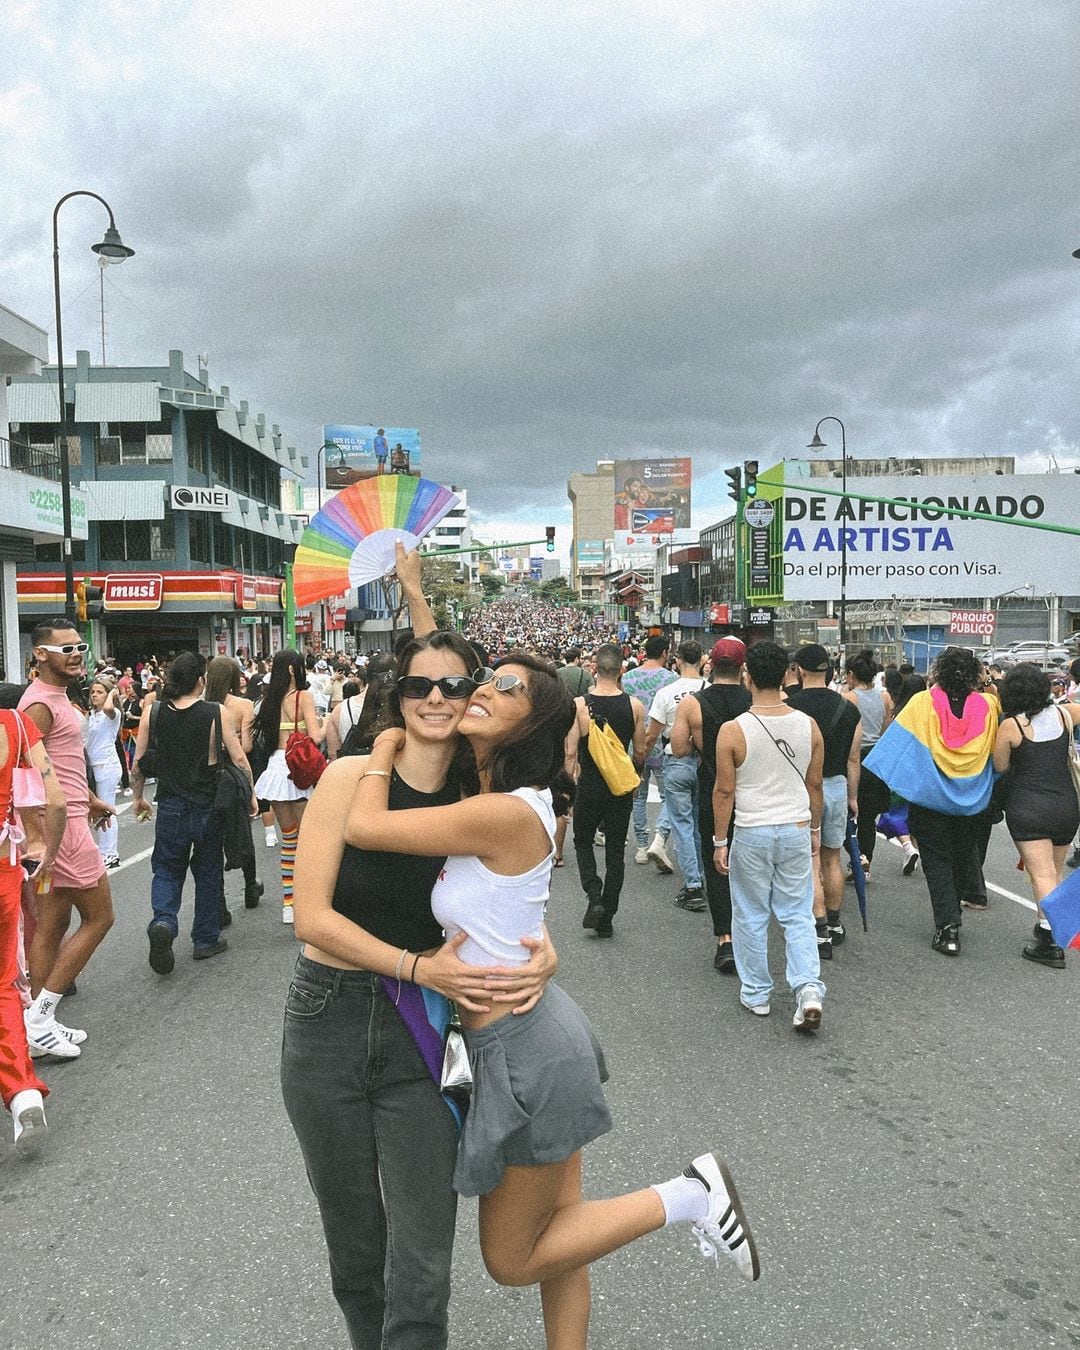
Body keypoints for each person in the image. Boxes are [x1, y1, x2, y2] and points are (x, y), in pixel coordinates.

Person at [344, 652, 760, 1348]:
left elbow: (365, 827)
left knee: (513, 1259)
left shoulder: (504, 811)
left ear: (530, 723)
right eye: (485, 679)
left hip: (523, 1052)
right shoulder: (496, 798)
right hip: (531, 1032)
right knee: (562, 1238)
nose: (478, 690)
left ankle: (689, 1195)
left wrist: (384, 743)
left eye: (502, 688)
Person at [284, 632, 559, 1348]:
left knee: (423, 1250)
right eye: (416, 686)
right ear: (394, 695)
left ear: (473, 695)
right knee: (355, 1246)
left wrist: (545, 950)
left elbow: (515, 891)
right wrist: (415, 965)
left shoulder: (480, 795)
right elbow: (310, 918)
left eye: (452, 685)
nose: (434, 697)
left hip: (428, 1030)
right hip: (327, 1017)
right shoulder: (350, 778)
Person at [713, 641, 826, 1030]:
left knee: (750, 912)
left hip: (752, 830)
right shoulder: (808, 725)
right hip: (795, 827)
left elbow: (724, 791)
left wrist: (719, 841)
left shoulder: (732, 730)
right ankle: (808, 988)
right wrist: (814, 829)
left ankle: (757, 993)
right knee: (798, 914)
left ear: (747, 676)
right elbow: (815, 786)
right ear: (786, 676)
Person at [18, 621, 117, 1059]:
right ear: (40, 655)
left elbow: (62, 761)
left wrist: (91, 797)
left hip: (72, 815)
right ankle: (41, 1015)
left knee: (52, 922)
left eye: (79, 646)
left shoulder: (56, 698)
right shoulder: (38, 704)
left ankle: (39, 1025)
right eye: (65, 648)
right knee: (101, 917)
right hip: (63, 827)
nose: (77, 654)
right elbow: (24, 774)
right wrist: (43, 834)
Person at [864, 647, 998, 958]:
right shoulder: (988, 706)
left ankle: (947, 927)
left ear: (939, 672)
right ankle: (955, 912)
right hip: (972, 800)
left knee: (936, 860)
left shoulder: (923, 703)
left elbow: (894, 747)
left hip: (930, 800)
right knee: (964, 853)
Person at [132, 652, 257, 972]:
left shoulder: (153, 712)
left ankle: (164, 922)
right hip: (209, 806)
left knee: (167, 870)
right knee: (208, 871)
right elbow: (239, 758)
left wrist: (137, 799)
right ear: (201, 680)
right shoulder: (217, 713)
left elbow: (139, 763)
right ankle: (205, 938)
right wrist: (251, 794)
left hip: (170, 805)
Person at [1, 704, 66, 1149]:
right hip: (3, 870)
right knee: (4, 983)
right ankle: (22, 1087)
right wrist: (50, 849)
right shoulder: (15, 723)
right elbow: (55, 798)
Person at [670, 637, 751, 971]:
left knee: (716, 864)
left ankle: (725, 940)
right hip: (751, 790)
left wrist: (698, 738)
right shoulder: (755, 700)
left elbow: (679, 750)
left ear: (710, 666)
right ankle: (752, 935)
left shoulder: (692, 703)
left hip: (712, 785)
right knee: (750, 866)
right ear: (743, 668)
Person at [993, 663, 1080, 969]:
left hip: (1028, 808)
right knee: (1054, 872)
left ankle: (1049, 940)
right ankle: (1051, 926)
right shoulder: (1064, 715)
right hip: (1067, 807)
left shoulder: (1011, 727)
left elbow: (1000, 766)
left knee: (1040, 875)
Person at [786, 645, 862, 959]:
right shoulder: (848, 709)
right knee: (832, 857)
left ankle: (816, 923)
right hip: (836, 786)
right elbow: (853, 759)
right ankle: (835, 921)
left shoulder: (788, 707)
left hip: (800, 788)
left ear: (800, 671)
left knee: (809, 861)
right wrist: (853, 797)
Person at [566, 643, 646, 939]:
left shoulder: (579, 705)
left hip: (589, 786)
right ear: (622, 670)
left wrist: (567, 790)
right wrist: (635, 778)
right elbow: (640, 751)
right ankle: (607, 915)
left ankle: (594, 893)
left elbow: (570, 754)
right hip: (619, 787)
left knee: (583, 841)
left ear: (594, 670)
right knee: (615, 852)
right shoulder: (634, 706)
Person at [251, 650, 324, 924]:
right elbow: (315, 736)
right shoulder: (303, 697)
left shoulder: (269, 700)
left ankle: (289, 904)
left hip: (276, 768)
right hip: (299, 770)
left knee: (289, 841)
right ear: (293, 670)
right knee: (309, 840)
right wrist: (325, 724)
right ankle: (311, 900)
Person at [643, 640, 709, 910]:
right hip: (705, 761)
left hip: (676, 759)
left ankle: (693, 884)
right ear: (702, 662)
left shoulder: (667, 693)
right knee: (699, 823)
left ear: (678, 660)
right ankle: (704, 876)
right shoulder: (709, 690)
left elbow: (652, 733)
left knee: (682, 824)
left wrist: (641, 756)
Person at [204, 656, 264, 914]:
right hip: (233, 774)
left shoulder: (202, 706)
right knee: (242, 832)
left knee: (212, 841)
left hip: (207, 777)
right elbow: (246, 748)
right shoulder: (242, 705)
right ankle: (250, 884)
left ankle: (219, 904)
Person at [621, 637, 676, 870]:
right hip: (663, 746)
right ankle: (659, 838)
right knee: (669, 797)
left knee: (638, 797)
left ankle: (642, 847)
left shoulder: (627, 678)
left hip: (635, 745)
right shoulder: (672, 679)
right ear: (664, 653)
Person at [843, 650, 893, 880]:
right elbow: (885, 729)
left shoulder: (850, 698)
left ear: (851, 674)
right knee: (868, 818)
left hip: (855, 757)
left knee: (847, 812)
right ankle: (866, 860)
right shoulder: (885, 698)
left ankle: (857, 857)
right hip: (877, 758)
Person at [85, 675, 123, 869]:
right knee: (98, 810)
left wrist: (114, 692)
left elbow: (108, 707)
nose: (94, 695)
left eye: (99, 692)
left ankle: (110, 853)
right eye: (92, 692)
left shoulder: (113, 713)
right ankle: (103, 851)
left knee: (107, 810)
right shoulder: (90, 715)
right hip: (93, 766)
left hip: (107, 765)